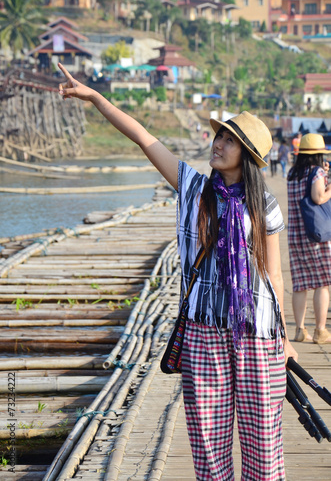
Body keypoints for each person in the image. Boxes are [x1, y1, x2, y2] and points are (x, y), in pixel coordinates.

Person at [57, 63, 297, 481]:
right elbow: (143, 137)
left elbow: (274, 278)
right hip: (204, 332)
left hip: (258, 334)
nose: (217, 143)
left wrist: (286, 340)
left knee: (265, 449)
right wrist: (95, 98)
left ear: (248, 156)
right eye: (219, 135)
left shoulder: (265, 207)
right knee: (208, 448)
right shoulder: (193, 189)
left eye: (228, 139)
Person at [287, 133, 331, 344]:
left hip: (295, 235)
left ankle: (300, 329)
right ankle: (321, 331)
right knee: (322, 283)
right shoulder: (317, 172)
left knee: (300, 284)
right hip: (315, 235)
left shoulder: (292, 174)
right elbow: (318, 197)